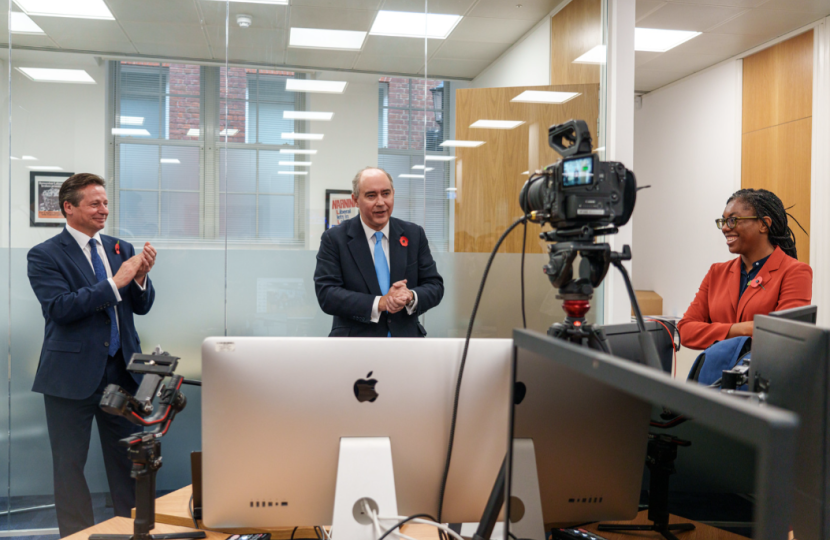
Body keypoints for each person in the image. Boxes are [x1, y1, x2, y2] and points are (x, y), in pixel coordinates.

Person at [27, 173, 157, 536]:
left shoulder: (121, 249)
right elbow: (60, 308)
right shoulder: (45, 255)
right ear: (69, 208)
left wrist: (142, 278)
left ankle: (133, 531)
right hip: (69, 377)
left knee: (129, 463)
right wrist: (116, 282)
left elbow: (141, 307)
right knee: (68, 467)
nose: (104, 210)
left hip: (122, 373)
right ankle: (76, 535)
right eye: (95, 203)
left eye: (105, 202)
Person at [314, 166, 444, 337]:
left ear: (393, 193)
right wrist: (380, 303)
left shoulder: (414, 234)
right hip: (355, 345)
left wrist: (410, 296)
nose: (381, 202)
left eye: (386, 193)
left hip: (406, 344)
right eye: (371, 195)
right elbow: (327, 294)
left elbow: (434, 286)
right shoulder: (335, 239)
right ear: (355, 199)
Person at [678, 188, 812, 350]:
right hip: (715, 373)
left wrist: (716, 331)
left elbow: (784, 337)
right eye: (723, 221)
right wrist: (745, 328)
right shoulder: (716, 273)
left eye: (733, 220)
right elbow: (685, 330)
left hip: (761, 373)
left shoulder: (795, 272)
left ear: (763, 224)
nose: (725, 228)